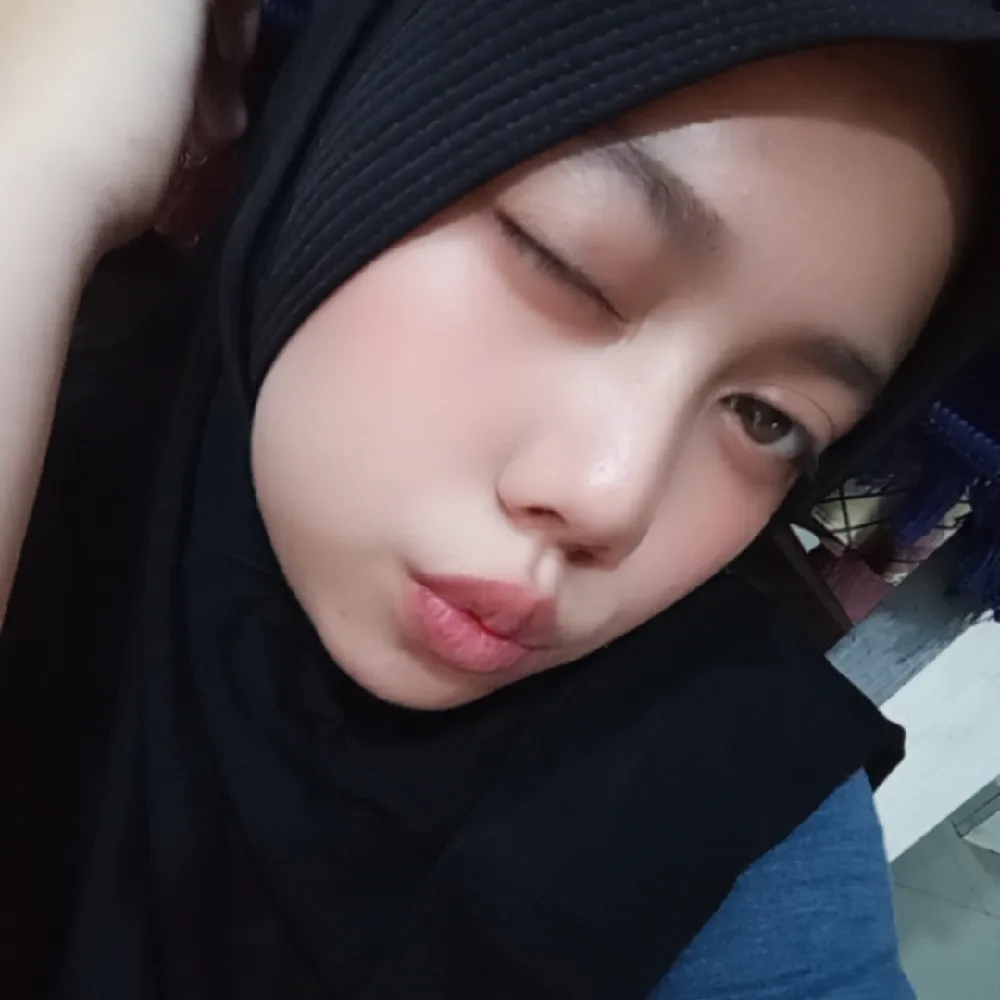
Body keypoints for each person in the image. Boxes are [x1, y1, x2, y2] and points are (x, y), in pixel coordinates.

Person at [1, 1, 999, 998]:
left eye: (769, 418)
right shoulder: (63, 368)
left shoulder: (722, 815)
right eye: (565, 260)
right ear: (344, 113)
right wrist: (36, 175)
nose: (611, 497)